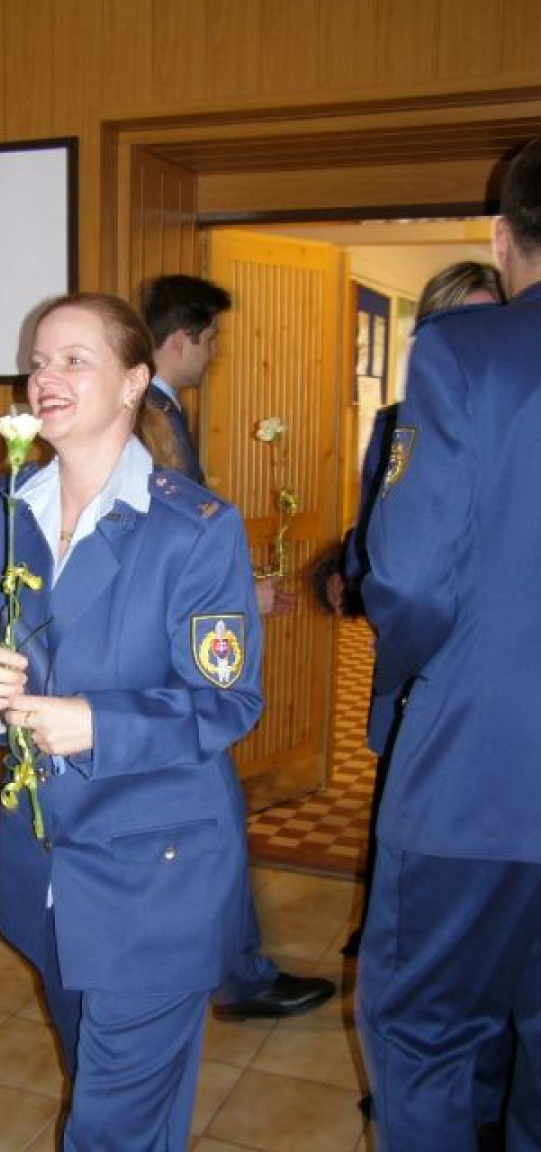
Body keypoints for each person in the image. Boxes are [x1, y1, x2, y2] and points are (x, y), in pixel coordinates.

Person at [0, 292, 263, 1151]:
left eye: (75, 360)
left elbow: (228, 700)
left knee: (111, 1127)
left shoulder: (194, 528)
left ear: (134, 383)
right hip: (43, 869)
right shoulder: (1, 507)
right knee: (111, 1093)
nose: (46, 377)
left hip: (154, 878)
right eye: (39, 362)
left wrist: (98, 723)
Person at [356, 138, 541, 1151]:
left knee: (425, 1034)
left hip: (479, 769)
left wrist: (407, 686)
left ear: (503, 237)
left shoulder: (468, 352)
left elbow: (412, 576)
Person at [141, 272, 335, 1019]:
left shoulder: (162, 410)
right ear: (182, 338)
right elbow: (157, 551)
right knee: (215, 819)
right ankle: (237, 978)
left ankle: (225, 970)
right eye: (212, 338)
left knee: (208, 823)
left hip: (170, 655)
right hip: (171, 667)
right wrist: (234, 599)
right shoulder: (151, 418)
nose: (216, 353)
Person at [342, 258, 506, 957]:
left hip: (486, 660)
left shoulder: (514, 416)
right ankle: (388, 919)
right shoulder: (396, 424)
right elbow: (375, 532)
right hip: (415, 648)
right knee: (399, 795)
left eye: (488, 317)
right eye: (459, 318)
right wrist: (351, 578)